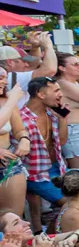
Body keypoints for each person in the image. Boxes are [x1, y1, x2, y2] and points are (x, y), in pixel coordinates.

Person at [20, 78, 67, 233]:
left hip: (56, 168)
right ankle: (49, 236)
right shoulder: (22, 119)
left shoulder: (51, 114)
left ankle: (46, 234)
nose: (61, 94)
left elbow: (62, 141)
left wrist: (63, 118)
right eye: (56, 90)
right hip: (34, 175)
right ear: (40, 94)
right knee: (71, 204)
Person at [0, 32, 57, 109]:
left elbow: (33, 63)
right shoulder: (10, 77)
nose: (27, 65)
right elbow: (50, 70)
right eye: (24, 61)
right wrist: (48, 46)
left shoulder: (8, 76)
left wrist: (35, 47)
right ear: (10, 62)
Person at [0, 76, 30, 220]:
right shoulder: (10, 101)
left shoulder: (6, 101)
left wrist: (24, 139)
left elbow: (19, 130)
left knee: (13, 218)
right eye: (0, 77)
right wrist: (13, 99)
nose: (5, 82)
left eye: (6, 78)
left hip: (8, 164)